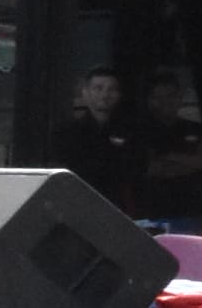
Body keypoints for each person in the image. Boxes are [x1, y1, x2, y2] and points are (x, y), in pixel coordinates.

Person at [134, 71, 202, 227]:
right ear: (150, 100)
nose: (166, 101)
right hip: (156, 214)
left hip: (195, 210)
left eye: (171, 95)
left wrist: (170, 157)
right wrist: (192, 163)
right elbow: (151, 169)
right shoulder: (141, 132)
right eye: (159, 97)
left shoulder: (195, 128)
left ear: (180, 97)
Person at [48, 67, 140, 213]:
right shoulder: (66, 132)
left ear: (119, 95)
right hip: (76, 206)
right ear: (85, 93)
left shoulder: (129, 131)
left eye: (112, 89)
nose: (105, 95)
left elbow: (135, 169)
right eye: (98, 88)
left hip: (118, 208)